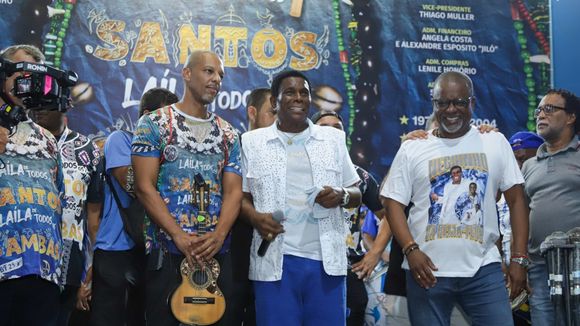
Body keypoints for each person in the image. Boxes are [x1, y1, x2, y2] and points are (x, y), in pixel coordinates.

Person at [381, 71, 529, 326]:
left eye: (459, 102)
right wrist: (411, 249)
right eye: (443, 103)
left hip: (484, 269)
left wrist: (518, 259)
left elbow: (517, 201)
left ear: (471, 103)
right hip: (426, 271)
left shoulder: (493, 141)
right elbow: (392, 203)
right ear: (434, 104)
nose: (451, 109)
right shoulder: (413, 147)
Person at [241, 70, 362, 326]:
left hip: (326, 264)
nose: (298, 98)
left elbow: (356, 193)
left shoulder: (333, 139)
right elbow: (239, 197)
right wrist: (255, 218)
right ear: (274, 102)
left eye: (303, 93)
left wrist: (340, 196)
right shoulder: (252, 142)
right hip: (274, 263)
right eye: (289, 92)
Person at [132, 50, 242, 326]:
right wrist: (177, 235)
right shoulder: (154, 124)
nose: (216, 79)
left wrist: (219, 235)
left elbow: (234, 192)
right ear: (187, 73)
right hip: (166, 251)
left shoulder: (229, 134)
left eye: (220, 75)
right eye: (208, 71)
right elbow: (144, 187)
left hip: (215, 254)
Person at [89, 88, 178, 326]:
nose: (170, 127)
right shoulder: (121, 139)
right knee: (107, 319)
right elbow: (134, 184)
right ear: (146, 116)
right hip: (114, 248)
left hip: (151, 248)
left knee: (140, 317)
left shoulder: (170, 152)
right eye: (164, 119)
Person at [26, 89, 104, 326]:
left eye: (46, 107)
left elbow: (93, 214)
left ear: (64, 107)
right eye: (35, 106)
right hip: (27, 249)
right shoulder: (20, 143)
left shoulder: (87, 150)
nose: (38, 112)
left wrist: (92, 266)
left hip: (70, 257)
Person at [0, 44, 64, 326]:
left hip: (43, 266)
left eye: (35, 77)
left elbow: (58, 195)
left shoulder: (47, 139)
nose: (28, 84)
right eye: (21, 74)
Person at [311, 109, 390, 325]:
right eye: (323, 128)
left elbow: (390, 217)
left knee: (354, 311)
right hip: (309, 263)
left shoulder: (360, 178)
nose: (331, 133)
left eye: (337, 129)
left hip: (348, 268)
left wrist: (374, 254)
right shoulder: (300, 172)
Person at [521, 89, 580, 326]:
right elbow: (521, 215)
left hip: (578, 263)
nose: (540, 115)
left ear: (570, 117)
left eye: (549, 109)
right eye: (538, 110)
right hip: (538, 267)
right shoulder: (528, 165)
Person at [230, 87, 275, 326]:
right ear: (252, 112)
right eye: (272, 113)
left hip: (273, 263)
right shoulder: (232, 148)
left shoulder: (287, 153)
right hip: (234, 256)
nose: (277, 120)